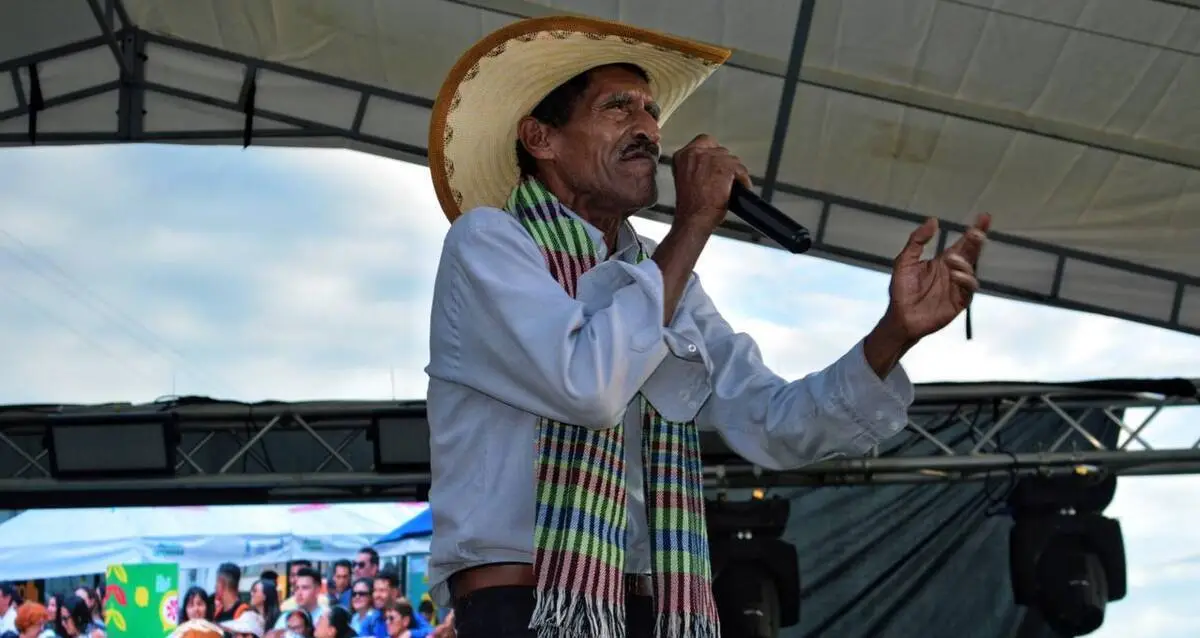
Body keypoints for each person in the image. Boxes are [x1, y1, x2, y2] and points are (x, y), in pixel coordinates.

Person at [423, 14, 991, 638]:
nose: (647, 129)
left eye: (650, 111)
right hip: (526, 607)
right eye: (619, 108)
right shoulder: (489, 243)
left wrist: (896, 333)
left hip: (645, 605)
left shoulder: (666, 283)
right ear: (540, 137)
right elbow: (587, 386)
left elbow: (776, 424)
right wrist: (692, 224)